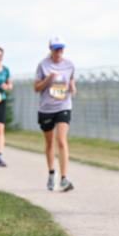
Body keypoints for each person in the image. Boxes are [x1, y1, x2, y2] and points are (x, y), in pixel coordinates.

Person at [33, 37, 76, 191]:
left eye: (61, 48)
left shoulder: (69, 64)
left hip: (64, 105)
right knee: (50, 142)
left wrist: (73, 87)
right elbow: (36, 88)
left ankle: (64, 178)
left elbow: (71, 80)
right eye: (56, 48)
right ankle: (52, 173)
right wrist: (48, 79)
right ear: (50, 49)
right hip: (46, 108)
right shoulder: (43, 65)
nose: (59, 51)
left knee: (61, 140)